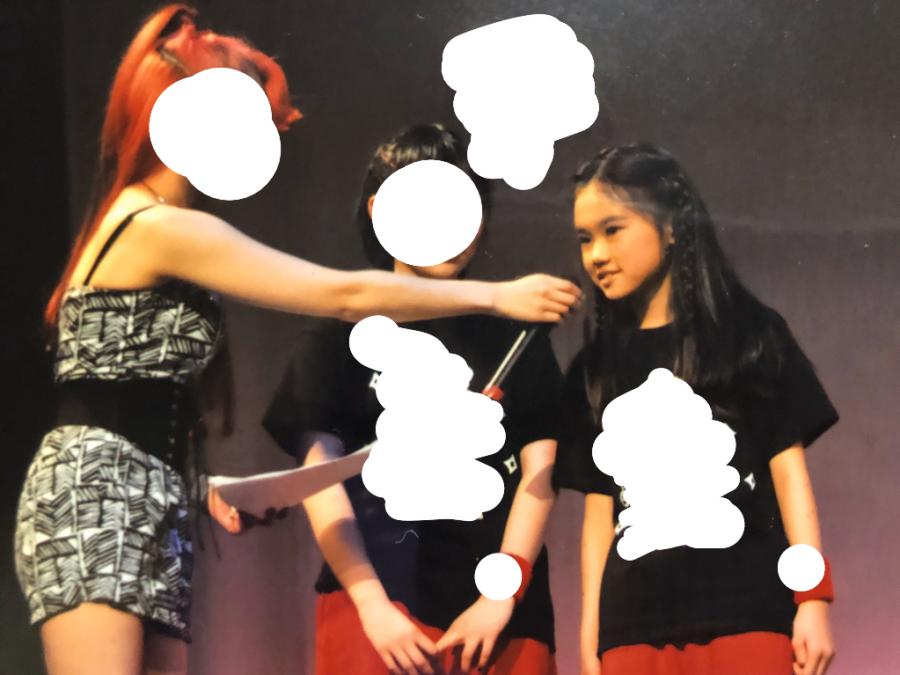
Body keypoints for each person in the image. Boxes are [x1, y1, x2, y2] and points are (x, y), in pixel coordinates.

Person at [13, 7, 581, 674]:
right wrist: (495, 295)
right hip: (98, 488)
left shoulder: (167, 224)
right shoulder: (154, 225)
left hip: (156, 489)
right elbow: (343, 295)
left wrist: (214, 487)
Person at [263, 124, 563, 675]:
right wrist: (372, 607)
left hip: (503, 619)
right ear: (381, 209)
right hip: (377, 614)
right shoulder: (338, 333)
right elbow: (320, 477)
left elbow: (540, 473)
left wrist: (502, 595)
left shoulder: (516, 334)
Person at [553, 143, 838, 675]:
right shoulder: (594, 369)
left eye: (613, 230)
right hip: (633, 628)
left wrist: (813, 599)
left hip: (748, 612)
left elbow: (788, 473)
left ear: (671, 227)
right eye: (585, 239)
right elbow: (598, 517)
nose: (596, 255)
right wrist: (591, 638)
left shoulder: (750, 336)